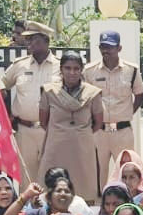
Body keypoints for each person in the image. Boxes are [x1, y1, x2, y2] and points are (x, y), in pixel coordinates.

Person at [38, 51, 104, 202]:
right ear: (61, 69)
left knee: (84, 186)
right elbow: (43, 121)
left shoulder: (93, 93)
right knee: (53, 184)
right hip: (56, 146)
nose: (72, 72)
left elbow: (98, 123)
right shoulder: (49, 91)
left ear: (81, 70)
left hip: (82, 147)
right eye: (67, 68)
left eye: (76, 68)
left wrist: (79, 133)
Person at [1, 20, 59, 183]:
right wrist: (8, 115)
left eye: (33, 38)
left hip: (51, 130)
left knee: (51, 177)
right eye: (27, 39)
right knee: (26, 179)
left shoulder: (60, 66)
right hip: (24, 130)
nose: (29, 42)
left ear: (45, 41)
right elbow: (0, 88)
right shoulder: (19, 66)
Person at [85, 31, 143, 181]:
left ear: (119, 48)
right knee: (98, 174)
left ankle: (125, 202)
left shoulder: (131, 70)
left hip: (122, 132)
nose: (106, 51)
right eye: (103, 47)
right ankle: (99, 203)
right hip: (99, 132)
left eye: (110, 47)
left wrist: (128, 112)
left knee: (126, 172)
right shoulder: (89, 71)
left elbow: (139, 94)